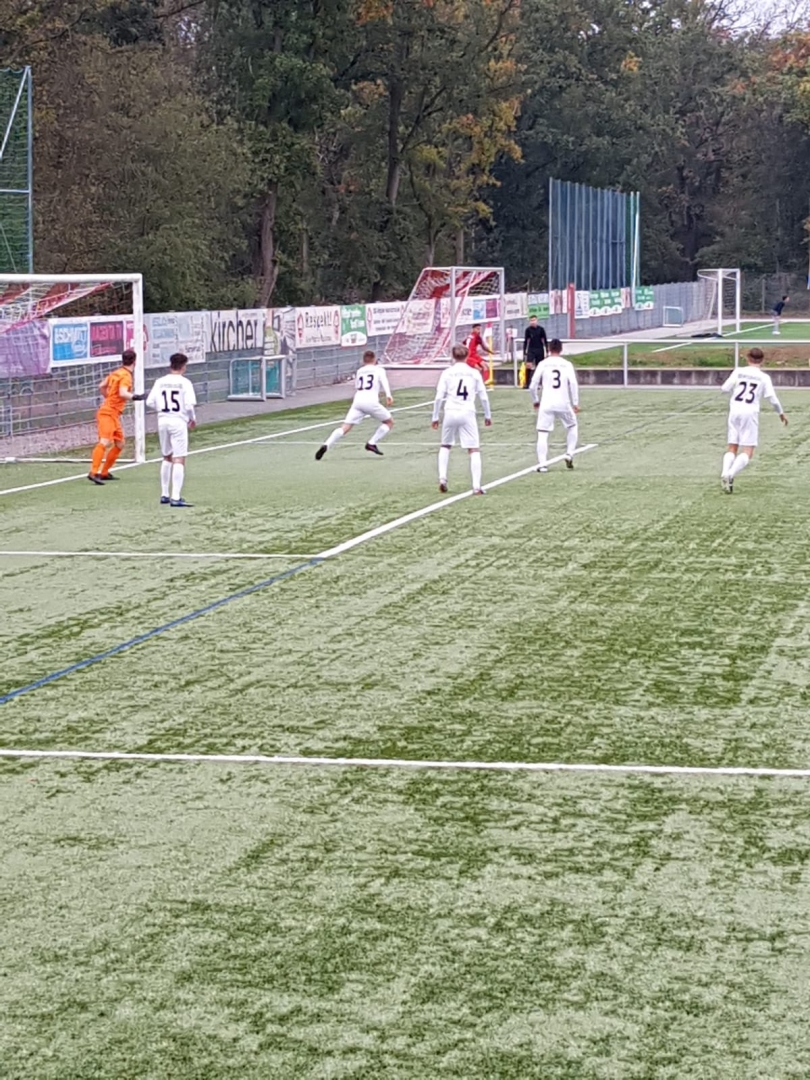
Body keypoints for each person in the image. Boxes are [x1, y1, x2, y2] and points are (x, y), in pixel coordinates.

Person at [720, 347, 787, 494]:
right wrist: (781, 413)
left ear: (747, 358)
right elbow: (772, 398)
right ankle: (730, 474)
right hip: (749, 413)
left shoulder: (738, 371)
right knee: (748, 451)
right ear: (762, 360)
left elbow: (725, 388)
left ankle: (724, 472)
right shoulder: (764, 377)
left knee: (732, 447)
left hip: (734, 411)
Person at [432, 343, 492, 495]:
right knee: (473, 449)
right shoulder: (474, 373)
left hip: (450, 411)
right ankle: (476, 486)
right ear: (467, 356)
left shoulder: (447, 373)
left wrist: (435, 417)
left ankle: (442, 479)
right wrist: (487, 415)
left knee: (445, 445)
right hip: (467, 412)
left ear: (453, 356)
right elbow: (483, 397)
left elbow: (438, 397)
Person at [316, 350, 393, 459]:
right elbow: (384, 382)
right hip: (370, 401)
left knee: (345, 427)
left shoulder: (359, 371)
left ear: (363, 360)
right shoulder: (379, 370)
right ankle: (371, 443)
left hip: (357, 401)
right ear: (374, 359)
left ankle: (326, 444)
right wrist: (388, 395)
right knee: (389, 422)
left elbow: (357, 386)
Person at [146, 353, 197, 507]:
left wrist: (161, 409)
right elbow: (189, 405)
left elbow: (149, 402)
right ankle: (176, 497)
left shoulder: (160, 381)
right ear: (184, 366)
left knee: (166, 456)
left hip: (163, 420)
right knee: (179, 458)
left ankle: (164, 494)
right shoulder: (185, 383)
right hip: (178, 421)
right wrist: (192, 418)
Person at [87, 348, 145, 485]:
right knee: (105, 441)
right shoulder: (126, 376)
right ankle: (93, 472)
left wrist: (108, 397)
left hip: (112, 413)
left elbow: (101, 386)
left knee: (120, 443)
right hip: (108, 413)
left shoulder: (116, 373)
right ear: (135, 361)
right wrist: (136, 397)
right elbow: (123, 393)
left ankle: (104, 472)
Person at [529, 338, 580, 472]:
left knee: (542, 433)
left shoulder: (543, 364)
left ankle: (542, 465)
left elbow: (533, 385)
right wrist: (575, 402)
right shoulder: (567, 364)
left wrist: (535, 400)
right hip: (563, 403)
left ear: (548, 349)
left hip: (546, 403)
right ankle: (569, 453)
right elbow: (573, 383)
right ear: (561, 349)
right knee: (572, 426)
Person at [523, 315, 548, 390]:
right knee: (528, 365)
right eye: (531, 320)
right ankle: (527, 383)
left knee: (539, 367)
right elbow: (526, 341)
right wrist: (524, 351)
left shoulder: (541, 329)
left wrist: (547, 351)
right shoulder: (528, 330)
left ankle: (539, 384)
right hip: (531, 349)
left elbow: (545, 340)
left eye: (534, 320)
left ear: (537, 321)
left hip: (539, 349)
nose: (533, 322)